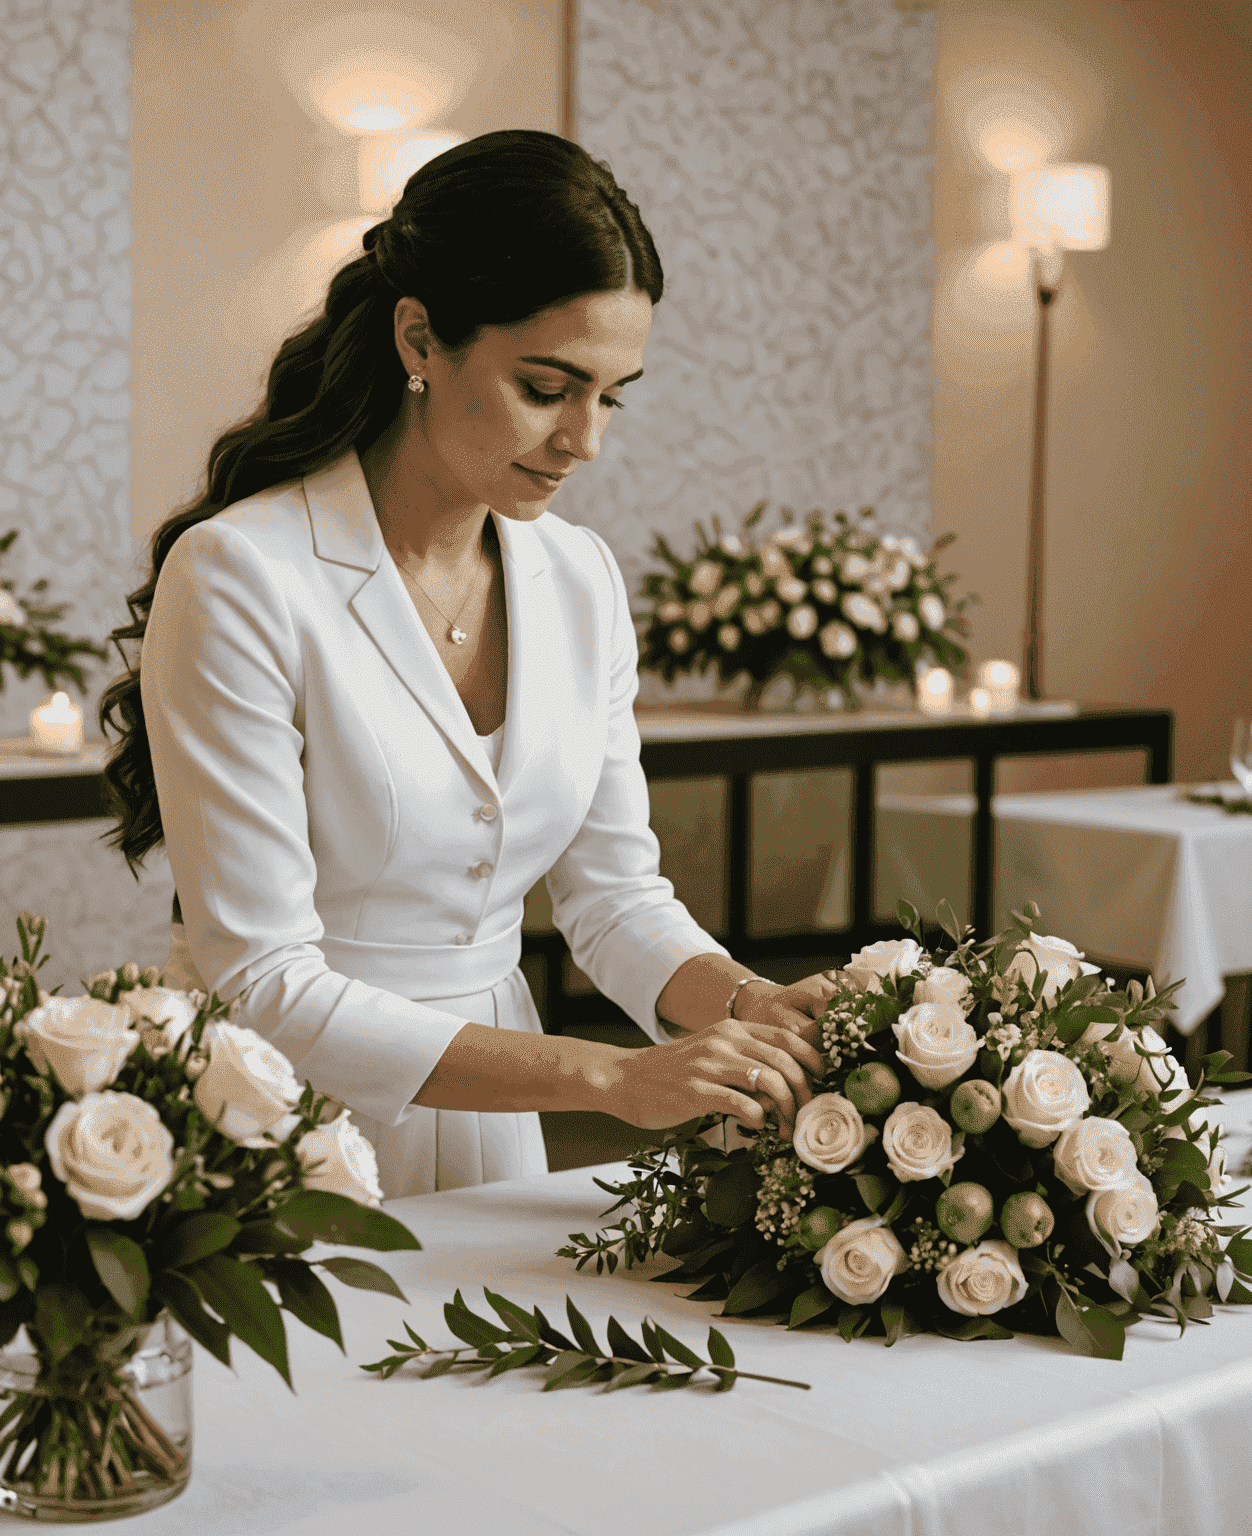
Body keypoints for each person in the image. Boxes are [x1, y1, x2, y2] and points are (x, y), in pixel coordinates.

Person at [101, 130, 831, 1199]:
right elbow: (262, 978)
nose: (585, 438)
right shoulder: (240, 575)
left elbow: (616, 898)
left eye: (613, 395)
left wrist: (743, 1001)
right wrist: (613, 1078)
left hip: (501, 1111)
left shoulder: (579, 577)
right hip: (273, 1115)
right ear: (419, 339)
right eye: (547, 386)